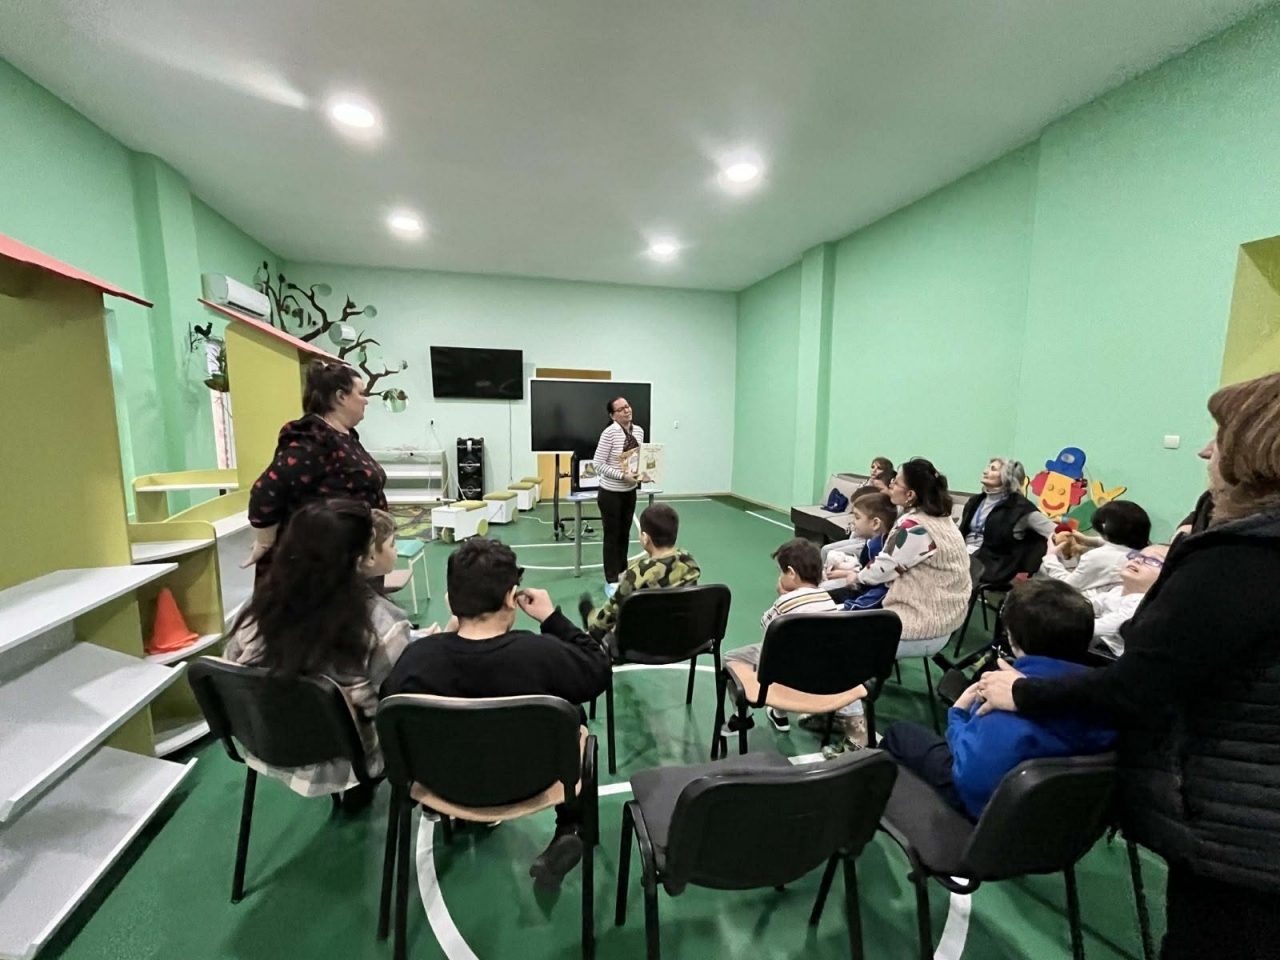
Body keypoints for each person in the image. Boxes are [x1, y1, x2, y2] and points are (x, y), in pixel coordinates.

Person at [975, 372, 1280, 960]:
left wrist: (1025, 692)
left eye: (1220, 438)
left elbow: (1137, 686)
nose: (1205, 452)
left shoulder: (1243, 561)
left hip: (1238, 834)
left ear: (1254, 453)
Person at [382, 538, 610, 891]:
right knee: (571, 713)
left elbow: (388, 704)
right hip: (533, 779)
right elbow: (598, 669)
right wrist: (552, 618)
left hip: (444, 782)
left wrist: (443, 636)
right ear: (510, 598)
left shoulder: (417, 659)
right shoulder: (540, 654)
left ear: (451, 601)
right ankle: (571, 825)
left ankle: (459, 817)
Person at [224, 500, 410, 812]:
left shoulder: (255, 612)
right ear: (363, 559)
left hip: (265, 743)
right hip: (349, 759)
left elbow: (233, 668)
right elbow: (396, 704)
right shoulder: (383, 625)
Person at [880, 579, 1115, 819]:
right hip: (1052, 817)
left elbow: (969, 779)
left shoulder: (1003, 705)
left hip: (988, 811)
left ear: (1011, 639)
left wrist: (957, 718)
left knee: (899, 734)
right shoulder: (1109, 697)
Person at [245, 360, 387, 578]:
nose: (366, 400)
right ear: (341, 397)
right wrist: (265, 541)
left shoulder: (345, 436)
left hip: (352, 554)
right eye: (361, 393)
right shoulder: (314, 439)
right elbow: (265, 490)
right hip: (324, 562)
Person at [828, 458, 972, 645]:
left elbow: (882, 570)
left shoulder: (915, 527)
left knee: (835, 630)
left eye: (895, 482)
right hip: (946, 612)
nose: (891, 485)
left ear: (910, 494)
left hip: (924, 619)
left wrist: (855, 576)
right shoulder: (940, 518)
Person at [723, 538, 838, 733]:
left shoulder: (786, 601)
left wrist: (782, 597)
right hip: (819, 673)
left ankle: (742, 715)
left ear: (791, 573)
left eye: (781, 571)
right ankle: (778, 714)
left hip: (785, 670)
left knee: (730, 658)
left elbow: (768, 627)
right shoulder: (828, 599)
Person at [577, 503, 701, 656]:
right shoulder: (690, 563)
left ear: (645, 538)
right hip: (681, 640)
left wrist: (592, 623)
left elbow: (608, 617)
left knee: (589, 611)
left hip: (639, 644)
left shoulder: (636, 574)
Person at [959, 457, 1055, 585]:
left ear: (1007, 477)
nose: (985, 471)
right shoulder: (975, 501)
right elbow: (959, 530)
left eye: (993, 469)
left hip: (993, 566)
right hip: (964, 554)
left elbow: (1055, 531)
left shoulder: (1020, 508)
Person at [1041, 500, 1152, 599]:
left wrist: (1050, 557)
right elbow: (1117, 548)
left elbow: (1069, 585)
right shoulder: (1147, 553)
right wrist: (1088, 540)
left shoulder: (1096, 557)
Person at [591, 396, 645, 597]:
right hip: (610, 494)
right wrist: (622, 476)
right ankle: (611, 579)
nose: (627, 410)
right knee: (612, 536)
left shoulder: (638, 431)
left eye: (627, 406)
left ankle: (622, 572)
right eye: (621, 409)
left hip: (629, 493)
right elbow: (598, 464)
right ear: (613, 415)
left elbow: (638, 460)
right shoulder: (609, 433)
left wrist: (644, 474)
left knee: (625, 534)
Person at [1091, 544, 1168, 656]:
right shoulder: (1118, 590)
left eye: (1153, 560)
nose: (1137, 560)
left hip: (1107, 655)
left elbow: (1095, 628)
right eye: (1138, 555)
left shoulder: (1141, 604)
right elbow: (1086, 606)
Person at [821, 492, 897, 605]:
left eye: (857, 517)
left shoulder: (880, 550)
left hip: (862, 602)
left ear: (875, 523)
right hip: (860, 591)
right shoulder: (871, 544)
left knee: (822, 592)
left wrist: (851, 607)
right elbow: (865, 570)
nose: (852, 521)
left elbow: (880, 592)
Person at [819, 484, 880, 567]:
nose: (852, 521)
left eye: (857, 517)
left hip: (863, 543)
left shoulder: (875, 547)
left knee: (831, 554)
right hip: (862, 541)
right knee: (825, 549)